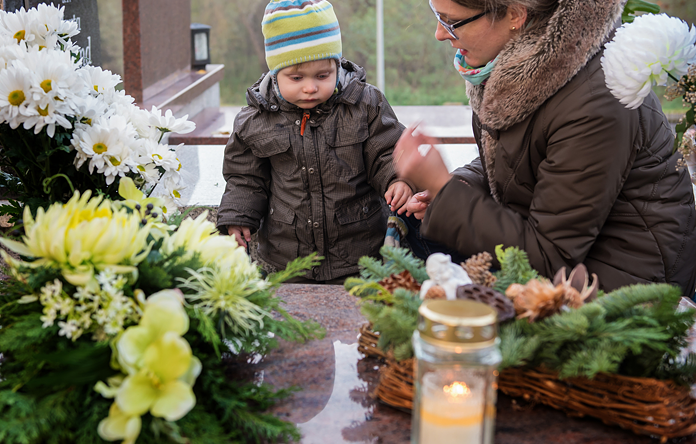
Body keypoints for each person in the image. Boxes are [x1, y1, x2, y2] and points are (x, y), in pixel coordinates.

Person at [393, 0, 696, 295]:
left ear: (515, 14)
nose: (440, 33)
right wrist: (459, 183)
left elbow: (549, 258)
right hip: (561, 254)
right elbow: (519, 160)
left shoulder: (594, 99)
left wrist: (443, 188)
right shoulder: (516, 65)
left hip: (623, 287)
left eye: (451, 21)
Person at [216, 0, 413, 283]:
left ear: (336, 65)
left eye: (323, 75)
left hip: (360, 250)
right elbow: (246, 179)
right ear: (275, 72)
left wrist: (398, 180)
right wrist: (238, 217)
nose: (310, 87)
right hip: (289, 257)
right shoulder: (255, 119)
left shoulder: (364, 104)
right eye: (296, 77)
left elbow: (387, 152)